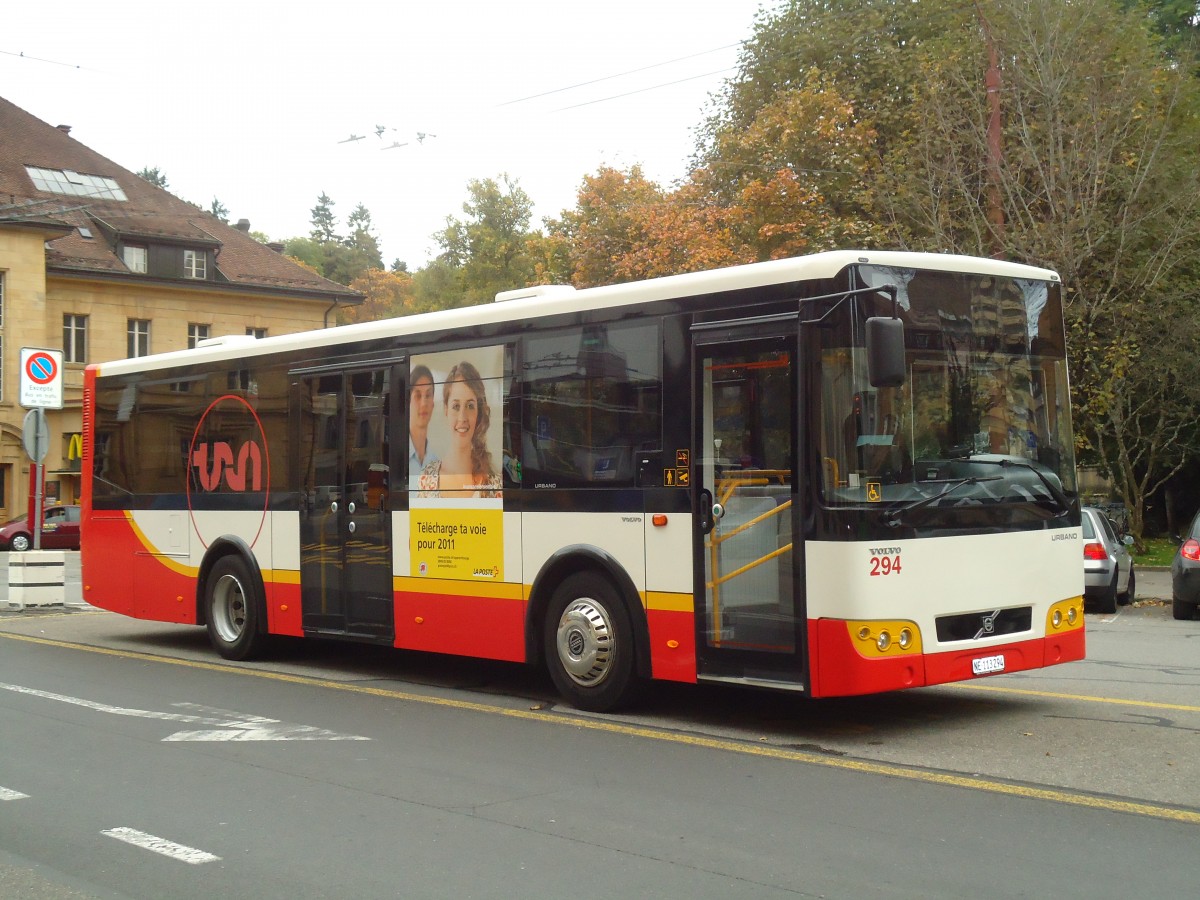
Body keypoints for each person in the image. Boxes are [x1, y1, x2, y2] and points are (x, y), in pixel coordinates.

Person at [417, 361, 502, 498]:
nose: (462, 418)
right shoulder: (427, 478)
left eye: (470, 406)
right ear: (446, 410)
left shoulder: (495, 483)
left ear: (478, 413)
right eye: (456, 406)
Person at [408, 365, 437, 490]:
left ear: (433, 404)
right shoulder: (398, 455)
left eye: (428, 395)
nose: (424, 403)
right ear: (408, 402)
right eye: (418, 396)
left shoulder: (436, 462)